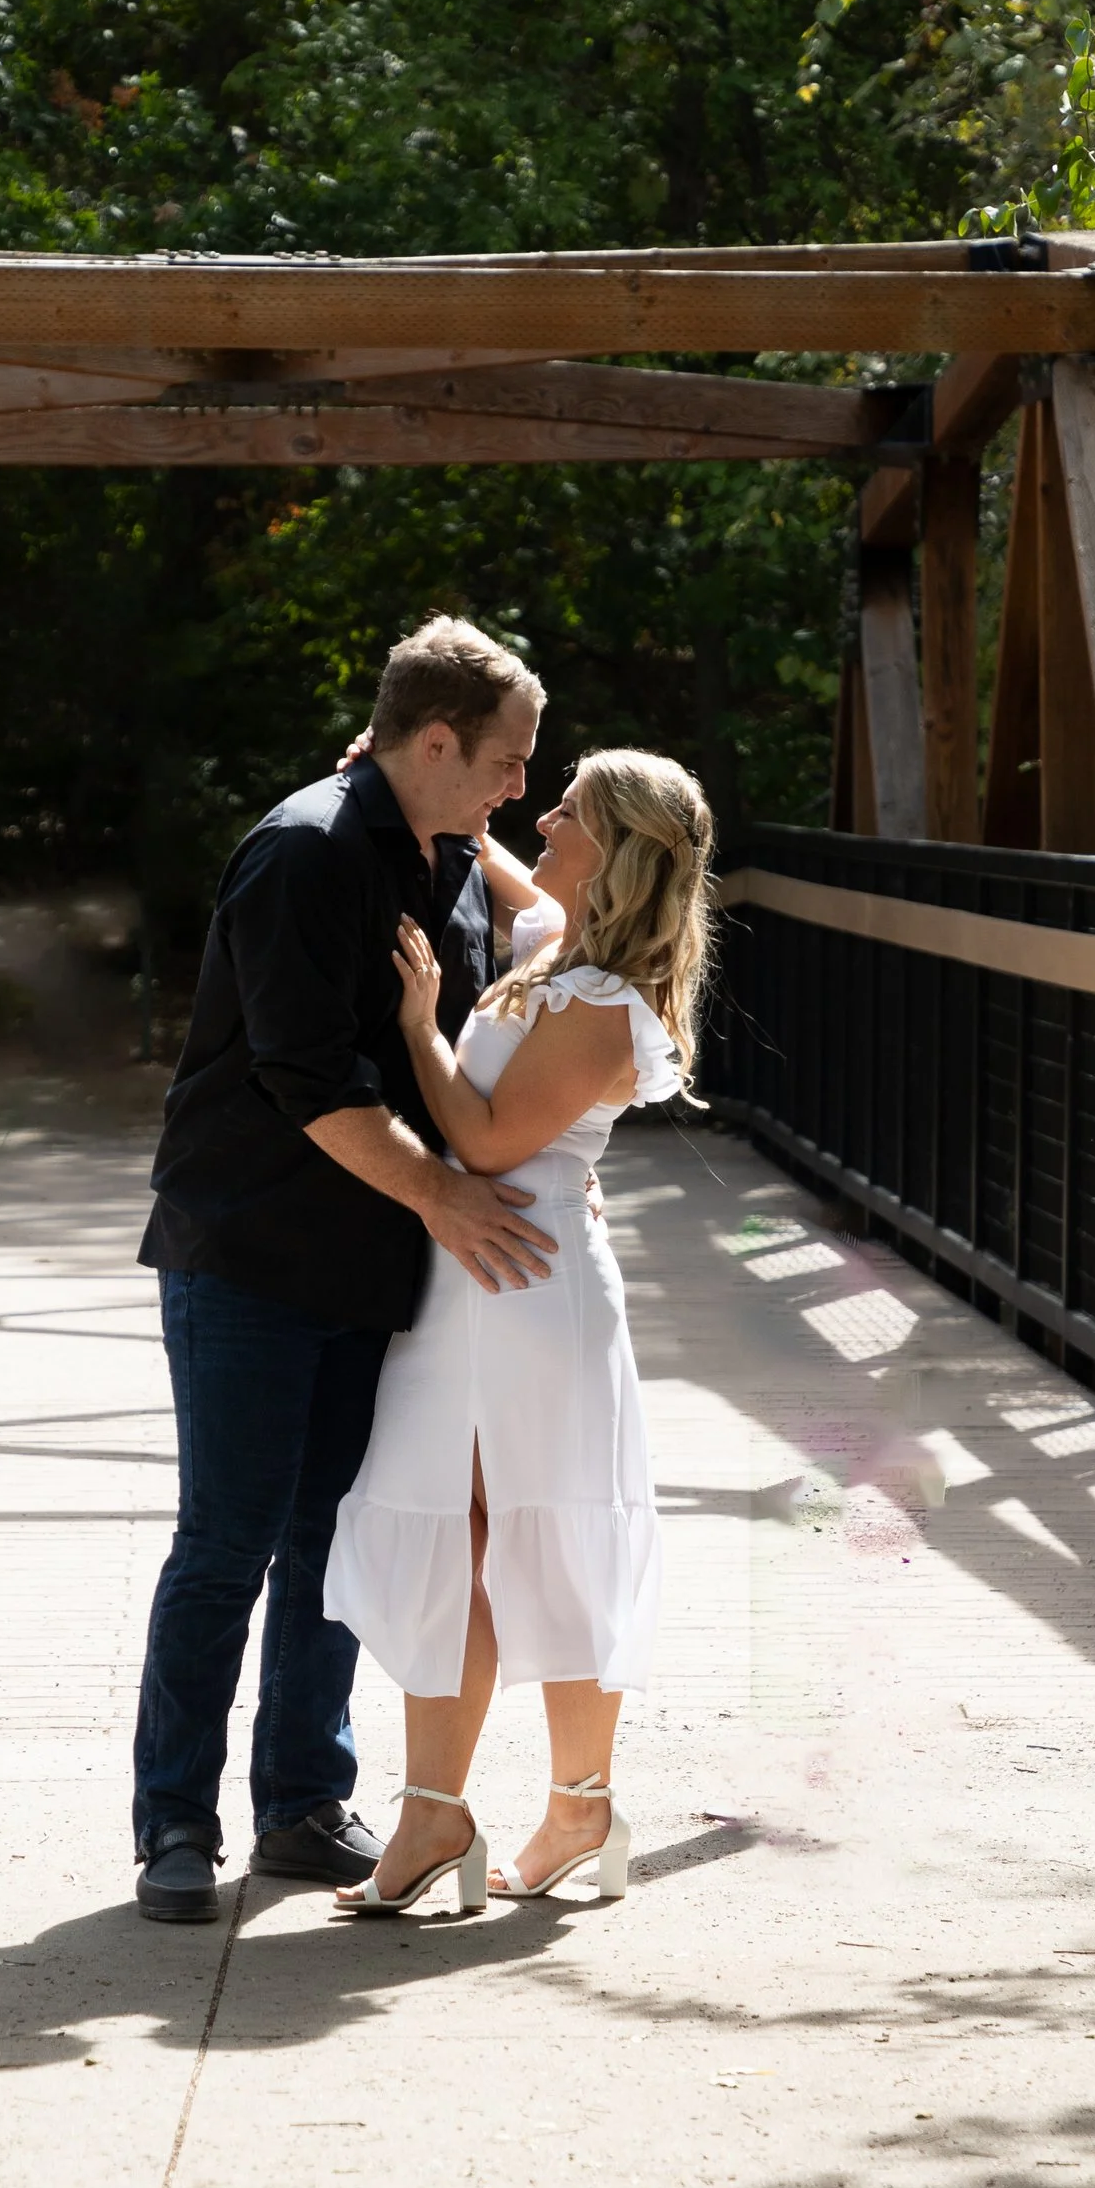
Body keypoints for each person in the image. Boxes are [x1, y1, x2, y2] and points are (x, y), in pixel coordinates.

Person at [129, 618, 560, 1924]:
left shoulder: (444, 856)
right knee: (230, 1538)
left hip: (371, 1265)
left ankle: (304, 1801)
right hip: (251, 1251)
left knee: (332, 1540)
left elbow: (561, 938)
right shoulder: (305, 853)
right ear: (435, 742)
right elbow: (305, 1078)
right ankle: (176, 1822)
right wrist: (445, 1194)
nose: (520, 790)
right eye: (504, 761)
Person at [323, 748, 715, 1912]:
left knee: (545, 1531)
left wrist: (419, 1025)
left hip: (533, 1280)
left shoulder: (602, 1001)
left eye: (568, 810)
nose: (542, 817)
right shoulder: (562, 943)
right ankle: (436, 1817)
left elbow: (487, 1144)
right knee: (454, 1529)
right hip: (468, 1275)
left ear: (618, 850)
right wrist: (415, 787)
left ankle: (579, 1808)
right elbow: (518, 881)